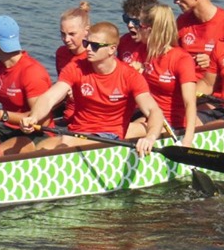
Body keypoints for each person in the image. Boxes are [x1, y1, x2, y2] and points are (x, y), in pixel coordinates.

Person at [21, 22, 166, 155]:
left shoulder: (130, 76)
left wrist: (150, 138)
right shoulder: (76, 67)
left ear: (112, 49)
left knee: (64, 144)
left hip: (109, 136)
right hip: (77, 131)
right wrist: (34, 117)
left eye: (95, 46)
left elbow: (153, 110)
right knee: (41, 147)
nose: (88, 49)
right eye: (86, 43)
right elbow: (50, 97)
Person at [0, 15, 54, 155]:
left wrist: (3, 115)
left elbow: (42, 121)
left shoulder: (32, 72)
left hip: (37, 133)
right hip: (8, 128)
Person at [131, 4, 199, 146]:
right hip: (147, 114)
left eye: (139, 26)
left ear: (149, 29)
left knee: (127, 131)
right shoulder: (142, 51)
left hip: (170, 122)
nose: (136, 29)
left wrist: (188, 139)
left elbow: (190, 103)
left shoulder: (181, 59)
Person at [55, 1, 91, 124]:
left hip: (86, 119)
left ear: (86, 31)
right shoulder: (61, 53)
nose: (66, 39)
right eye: (63, 34)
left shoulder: (93, 57)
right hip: (67, 113)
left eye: (72, 34)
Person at [117, 0, 158, 69]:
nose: (130, 25)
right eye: (126, 19)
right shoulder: (124, 41)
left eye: (136, 21)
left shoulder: (161, 48)